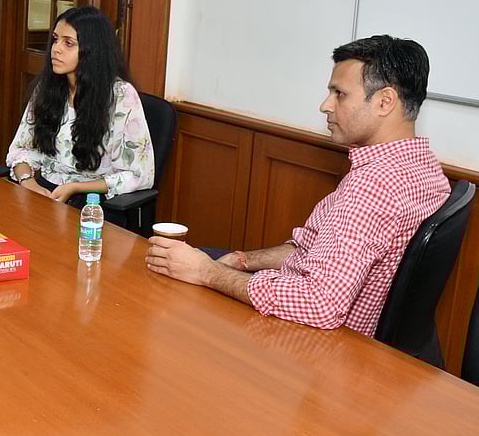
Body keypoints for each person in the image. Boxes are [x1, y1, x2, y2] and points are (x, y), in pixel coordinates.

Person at [145, 35, 451, 336]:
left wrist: (207, 272)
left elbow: (319, 303)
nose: (325, 105)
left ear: (385, 101)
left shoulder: (374, 186)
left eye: (339, 94)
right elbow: (317, 251)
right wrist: (244, 260)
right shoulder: (424, 169)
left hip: (316, 345)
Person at [6, 5, 154, 223]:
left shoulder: (121, 96)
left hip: (94, 204)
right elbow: (21, 149)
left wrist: (75, 187)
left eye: (68, 43)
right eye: (55, 40)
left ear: (92, 51)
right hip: (43, 193)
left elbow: (139, 176)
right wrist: (28, 181)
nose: (55, 49)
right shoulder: (48, 88)